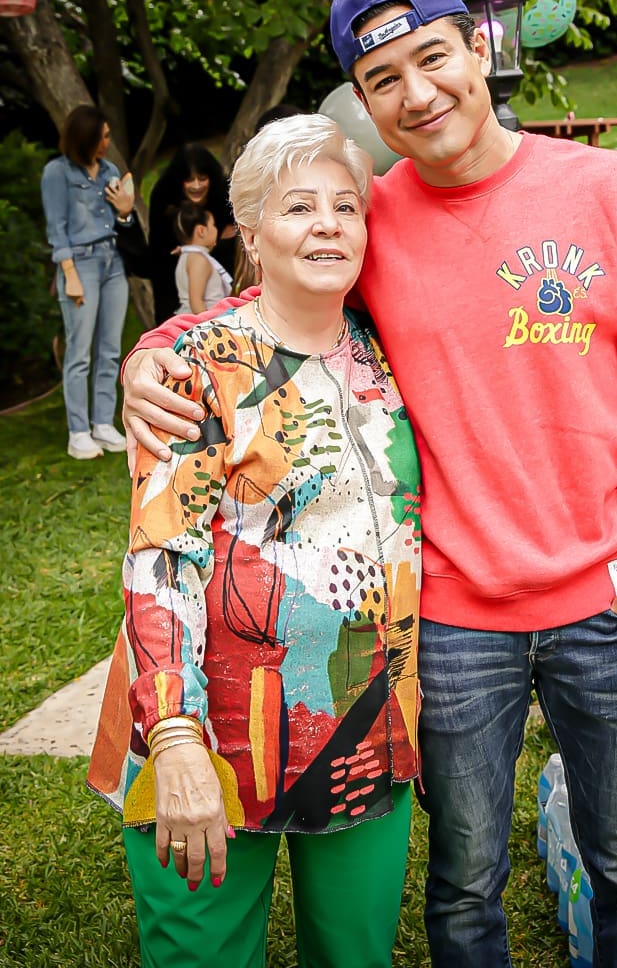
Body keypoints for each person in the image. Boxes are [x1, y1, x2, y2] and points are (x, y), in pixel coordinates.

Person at [120, 0, 617, 967]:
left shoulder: (610, 192)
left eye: (432, 58)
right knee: (461, 887)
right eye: (383, 81)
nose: (418, 93)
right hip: (449, 623)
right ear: (363, 104)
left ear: (478, 47)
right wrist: (153, 354)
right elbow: (271, 318)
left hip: (612, 601)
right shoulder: (372, 222)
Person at [87, 114, 423, 968]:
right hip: (210, 734)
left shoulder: (387, 358)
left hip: (364, 729)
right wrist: (173, 739)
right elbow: (161, 561)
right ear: (251, 231)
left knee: (357, 958)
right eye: (298, 207)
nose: (327, 225)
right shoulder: (195, 368)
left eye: (346, 208)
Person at [41, 104, 133, 459]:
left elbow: (121, 223)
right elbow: (56, 230)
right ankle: (78, 432)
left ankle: (103, 424)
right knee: (79, 353)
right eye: (103, 136)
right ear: (85, 139)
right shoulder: (56, 173)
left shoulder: (108, 170)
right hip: (80, 265)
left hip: (113, 262)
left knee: (110, 350)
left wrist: (125, 212)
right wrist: (70, 276)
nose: (107, 142)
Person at [148, 143, 237, 323]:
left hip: (218, 281)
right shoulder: (163, 197)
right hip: (174, 283)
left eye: (202, 178)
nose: (196, 186)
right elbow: (158, 254)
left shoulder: (225, 194)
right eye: (189, 180)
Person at [171, 200, 233, 313]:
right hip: (206, 320)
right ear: (201, 231)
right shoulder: (199, 260)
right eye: (213, 225)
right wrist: (209, 328)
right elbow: (196, 302)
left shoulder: (187, 256)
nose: (216, 229)